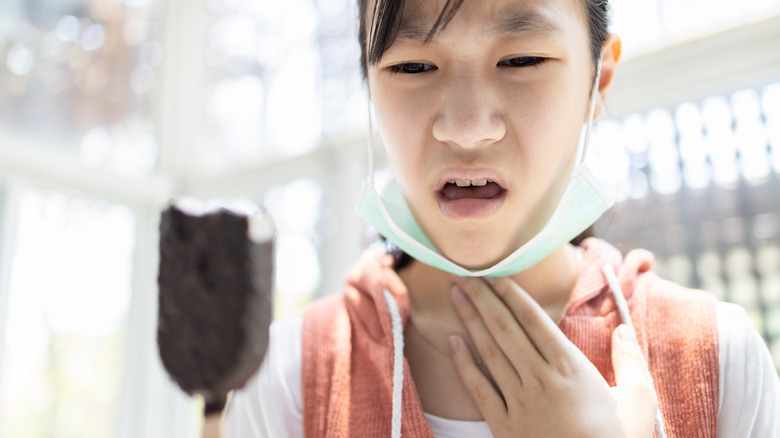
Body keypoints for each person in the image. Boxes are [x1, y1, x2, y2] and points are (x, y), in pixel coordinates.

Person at [207, 0, 780, 436]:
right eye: (412, 67)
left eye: (521, 59)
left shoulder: (719, 358)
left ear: (598, 80)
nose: (466, 125)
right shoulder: (289, 375)